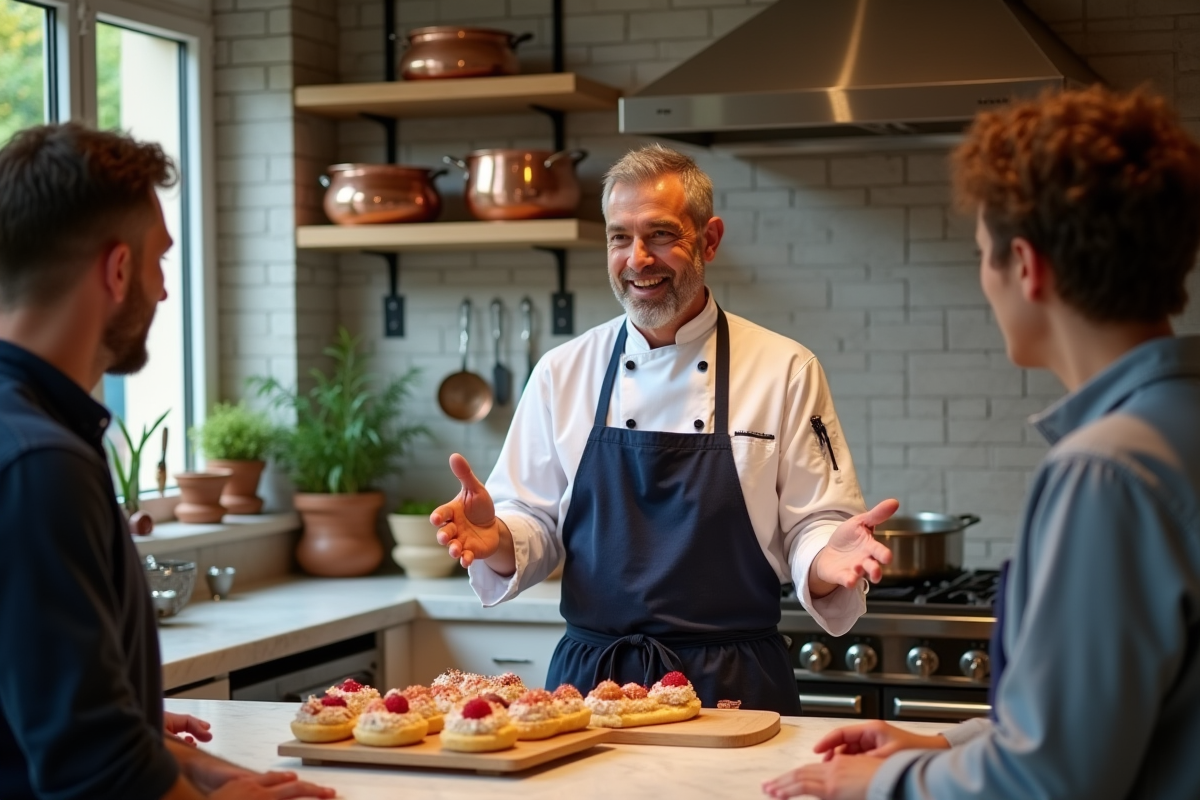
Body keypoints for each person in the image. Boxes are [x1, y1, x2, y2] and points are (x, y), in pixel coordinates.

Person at [762, 85, 1200, 799]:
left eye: (982, 255)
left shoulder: (1107, 471)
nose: (985, 279)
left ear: (1026, 266)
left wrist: (882, 784)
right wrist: (941, 742)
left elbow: (1051, 779)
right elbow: (1102, 724)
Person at [433, 144, 897, 714]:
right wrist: (497, 539)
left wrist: (826, 559)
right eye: (619, 237)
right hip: (589, 691)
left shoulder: (784, 368)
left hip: (734, 687)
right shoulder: (562, 371)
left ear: (709, 239)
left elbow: (815, 523)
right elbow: (534, 521)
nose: (637, 259)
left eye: (660, 235)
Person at [0, 123, 334, 799]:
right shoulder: (41, 466)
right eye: (160, 263)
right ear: (118, 269)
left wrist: (191, 766)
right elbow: (91, 769)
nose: (163, 292)